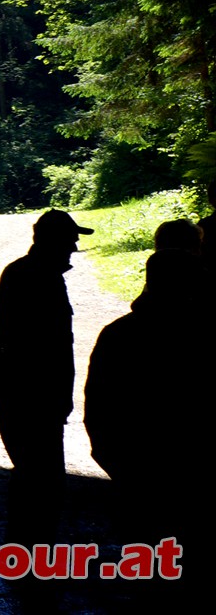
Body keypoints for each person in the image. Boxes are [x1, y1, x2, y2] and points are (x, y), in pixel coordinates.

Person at [85, 227, 210, 559]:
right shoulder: (206, 338)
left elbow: (97, 409)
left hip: (136, 477)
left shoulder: (118, 334)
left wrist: (119, 467)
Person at [0, 209, 90, 545]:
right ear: (53, 242)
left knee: (35, 477)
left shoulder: (32, 273)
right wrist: (54, 399)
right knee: (41, 480)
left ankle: (26, 552)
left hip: (25, 396)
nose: (74, 246)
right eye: (70, 239)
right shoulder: (36, 277)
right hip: (31, 398)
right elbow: (39, 349)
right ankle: (31, 556)